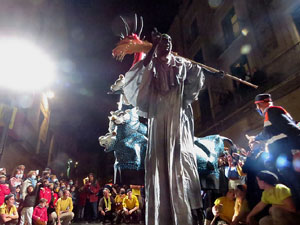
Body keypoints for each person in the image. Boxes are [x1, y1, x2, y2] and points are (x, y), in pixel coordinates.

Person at [122, 29, 224, 225]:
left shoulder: (182, 64)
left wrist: (213, 72)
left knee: (181, 158)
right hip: (160, 115)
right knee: (160, 160)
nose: (166, 45)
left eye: (169, 42)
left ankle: (186, 211)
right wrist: (151, 50)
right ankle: (163, 214)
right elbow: (140, 71)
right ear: (157, 46)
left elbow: (197, 71)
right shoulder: (151, 64)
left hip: (177, 113)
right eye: (162, 42)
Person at [247, 93, 300, 209]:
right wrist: (255, 138)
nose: (257, 110)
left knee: (297, 184)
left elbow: (293, 130)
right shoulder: (270, 115)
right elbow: (267, 133)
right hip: (283, 157)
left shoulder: (272, 111)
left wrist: (296, 151)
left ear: (260, 104)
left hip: (287, 154)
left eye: (257, 107)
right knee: (293, 185)